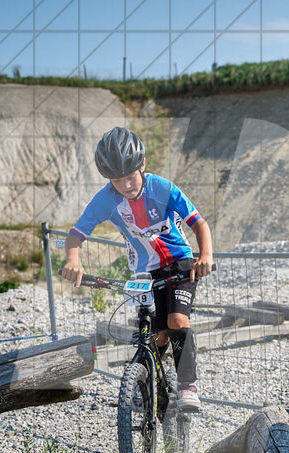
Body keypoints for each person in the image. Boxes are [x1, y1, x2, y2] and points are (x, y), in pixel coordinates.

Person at [61, 126, 214, 412]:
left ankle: (187, 385)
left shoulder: (162, 188)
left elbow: (199, 223)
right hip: (144, 272)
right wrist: (73, 259)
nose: (126, 185)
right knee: (154, 335)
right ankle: (147, 383)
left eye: (130, 177)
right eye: (117, 180)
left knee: (177, 321)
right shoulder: (106, 199)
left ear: (142, 165)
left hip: (180, 264)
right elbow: (75, 234)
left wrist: (204, 254)